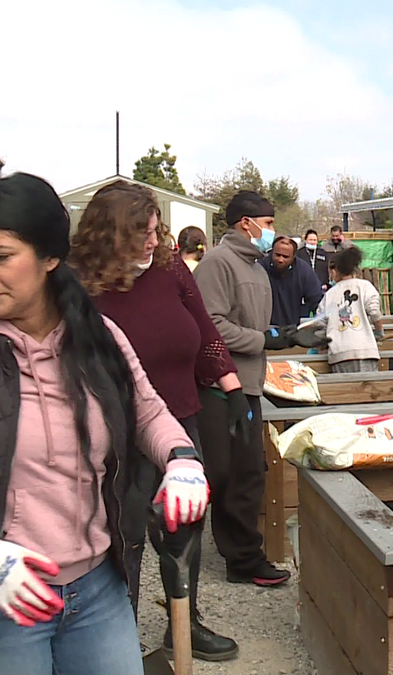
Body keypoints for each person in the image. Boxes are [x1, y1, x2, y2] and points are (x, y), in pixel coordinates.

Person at [0, 173, 209, 674]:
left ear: (51, 257)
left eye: (1, 255)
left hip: (98, 590)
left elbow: (147, 410)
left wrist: (182, 460)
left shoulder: (98, 335)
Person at [70, 182, 241, 662]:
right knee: (122, 536)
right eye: (142, 233)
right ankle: (117, 634)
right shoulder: (77, 282)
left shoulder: (169, 269)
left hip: (179, 422)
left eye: (156, 230)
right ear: (111, 235)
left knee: (182, 530)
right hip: (112, 431)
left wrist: (231, 388)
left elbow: (204, 331)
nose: (153, 240)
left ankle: (185, 623)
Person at [193, 190, 324, 587]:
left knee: (249, 472)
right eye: (267, 225)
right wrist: (264, 339)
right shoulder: (218, 264)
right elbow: (209, 325)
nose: (271, 233)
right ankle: (243, 558)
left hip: (250, 383)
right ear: (244, 223)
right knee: (233, 472)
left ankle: (241, 552)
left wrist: (284, 334)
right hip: (222, 386)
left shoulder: (255, 266)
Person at [316, 247, 384, 373]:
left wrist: (320, 346)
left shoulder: (329, 295)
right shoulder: (365, 286)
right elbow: (374, 312)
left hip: (339, 353)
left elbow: (320, 325)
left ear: (334, 271)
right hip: (365, 351)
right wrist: (379, 332)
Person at [259, 236, 323, 327]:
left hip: (293, 329)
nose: (281, 260)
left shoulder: (304, 272)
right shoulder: (259, 268)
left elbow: (317, 301)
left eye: (285, 257)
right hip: (263, 329)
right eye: (277, 255)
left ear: (293, 257)